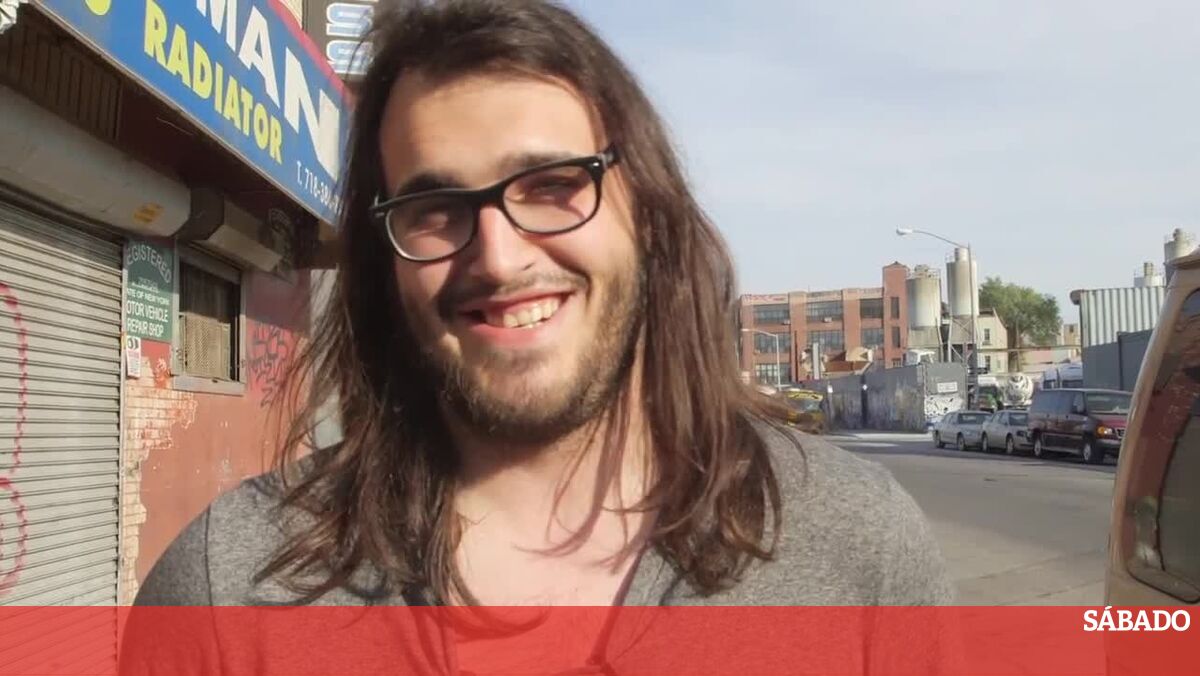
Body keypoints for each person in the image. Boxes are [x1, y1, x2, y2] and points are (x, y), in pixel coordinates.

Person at [133, 0, 954, 670]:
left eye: (554, 185)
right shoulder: (229, 590)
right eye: (434, 209)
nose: (499, 257)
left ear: (650, 214)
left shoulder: (856, 548)